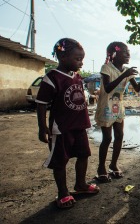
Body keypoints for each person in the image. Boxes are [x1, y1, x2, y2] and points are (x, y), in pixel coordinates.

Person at [36, 38, 100, 209]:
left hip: (79, 125)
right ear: (63, 57)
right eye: (77, 59)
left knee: (84, 155)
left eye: (82, 58)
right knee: (60, 160)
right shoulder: (52, 78)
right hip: (61, 128)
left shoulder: (77, 77)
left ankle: (80, 185)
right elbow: (41, 104)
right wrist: (43, 127)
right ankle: (63, 192)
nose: (81, 62)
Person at [94, 41, 140, 182]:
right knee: (107, 139)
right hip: (106, 107)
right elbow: (107, 88)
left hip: (118, 107)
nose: (128, 55)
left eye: (129, 52)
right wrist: (125, 75)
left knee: (119, 136)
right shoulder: (106, 68)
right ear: (114, 54)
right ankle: (101, 167)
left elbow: (137, 90)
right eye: (125, 52)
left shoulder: (127, 71)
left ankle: (113, 164)